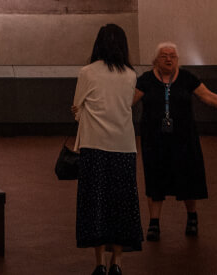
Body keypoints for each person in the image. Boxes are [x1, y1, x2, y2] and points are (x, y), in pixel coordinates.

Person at [132, 42, 217, 241]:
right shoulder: (145, 80)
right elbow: (126, 102)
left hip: (183, 139)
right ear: (156, 60)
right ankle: (154, 222)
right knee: (155, 178)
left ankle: (192, 217)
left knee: (187, 176)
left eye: (173, 55)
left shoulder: (187, 78)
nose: (169, 59)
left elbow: (208, 96)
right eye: (164, 56)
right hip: (155, 140)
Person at [71, 24, 144, 275]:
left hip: (94, 147)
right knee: (122, 204)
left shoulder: (87, 72)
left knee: (96, 204)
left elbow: (76, 109)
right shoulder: (131, 75)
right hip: (124, 146)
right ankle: (118, 263)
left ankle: (100, 262)